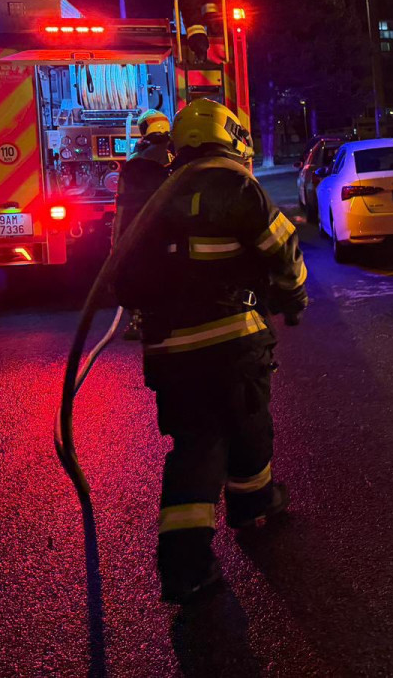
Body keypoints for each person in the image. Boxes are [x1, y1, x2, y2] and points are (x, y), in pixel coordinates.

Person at [114, 99, 307, 604]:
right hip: (231, 339)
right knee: (233, 430)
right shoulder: (236, 184)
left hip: (168, 349)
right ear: (231, 136)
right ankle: (188, 563)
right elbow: (282, 249)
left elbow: (123, 279)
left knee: (203, 439)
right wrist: (294, 297)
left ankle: (248, 508)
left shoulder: (155, 193)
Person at [114, 109, 175, 341]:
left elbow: (122, 204)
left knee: (135, 270)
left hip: (138, 228)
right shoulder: (176, 156)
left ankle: (137, 318)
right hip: (168, 227)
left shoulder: (134, 162)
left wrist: (117, 243)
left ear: (143, 129)